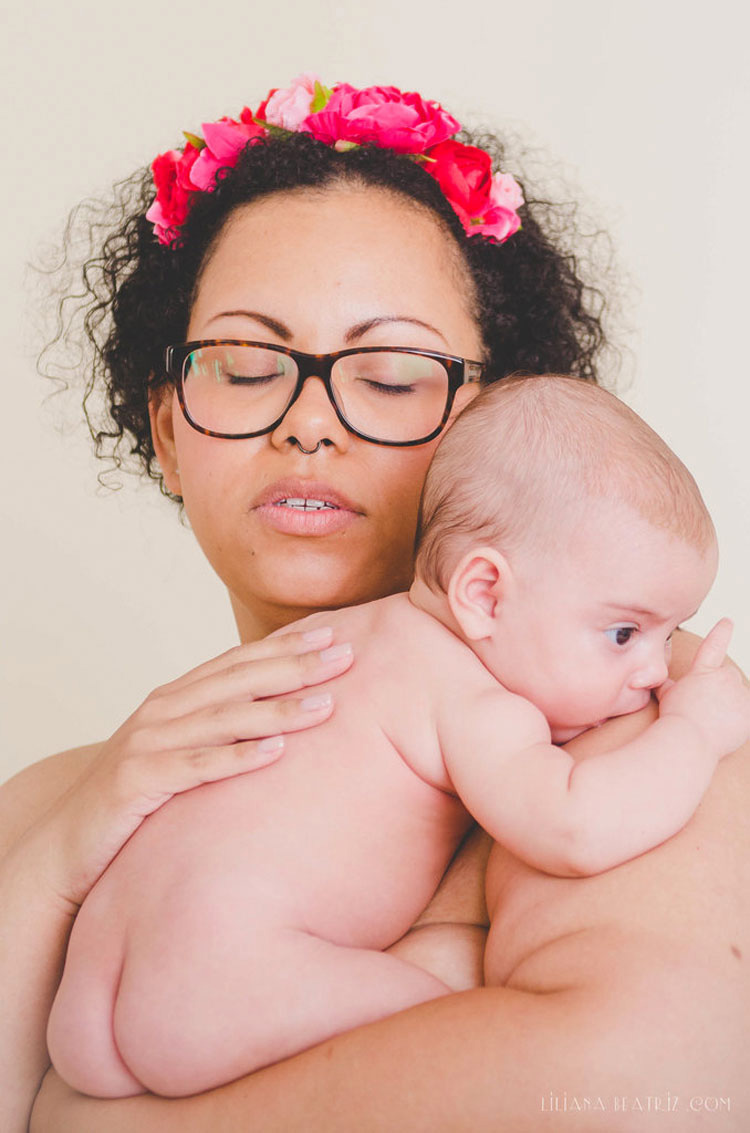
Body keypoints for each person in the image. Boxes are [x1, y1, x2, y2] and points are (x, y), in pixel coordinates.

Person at [1, 75, 746, 1132]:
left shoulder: (623, 707)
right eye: (248, 366)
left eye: (393, 376)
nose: (310, 422)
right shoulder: (55, 797)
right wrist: (57, 859)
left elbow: (653, 1086)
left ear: (490, 435)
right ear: (166, 432)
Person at [46, 374, 750, 1100]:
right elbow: (575, 825)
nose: (653, 670)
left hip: (87, 996)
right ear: (484, 595)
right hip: (221, 984)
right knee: (460, 1025)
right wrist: (696, 731)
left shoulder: (339, 637)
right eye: (624, 631)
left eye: (668, 633)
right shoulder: (472, 701)